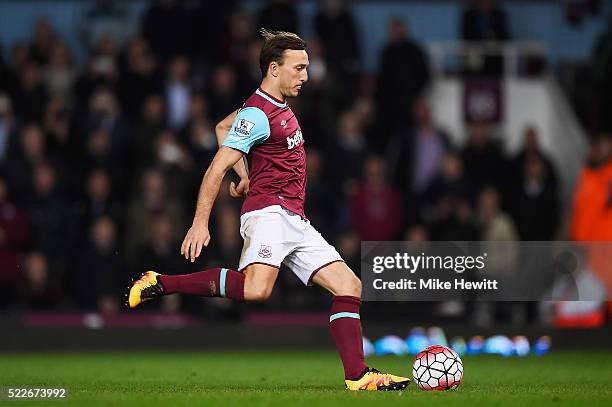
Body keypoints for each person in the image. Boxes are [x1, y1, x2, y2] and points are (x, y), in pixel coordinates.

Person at [128, 29, 410, 391]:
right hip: (269, 213)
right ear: (274, 69)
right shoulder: (259, 114)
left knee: (348, 285)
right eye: (299, 68)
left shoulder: (264, 109)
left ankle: (357, 376)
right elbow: (215, 168)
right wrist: (200, 223)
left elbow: (222, 126)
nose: (306, 76)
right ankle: (161, 283)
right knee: (258, 290)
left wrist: (245, 174)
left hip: (293, 216)